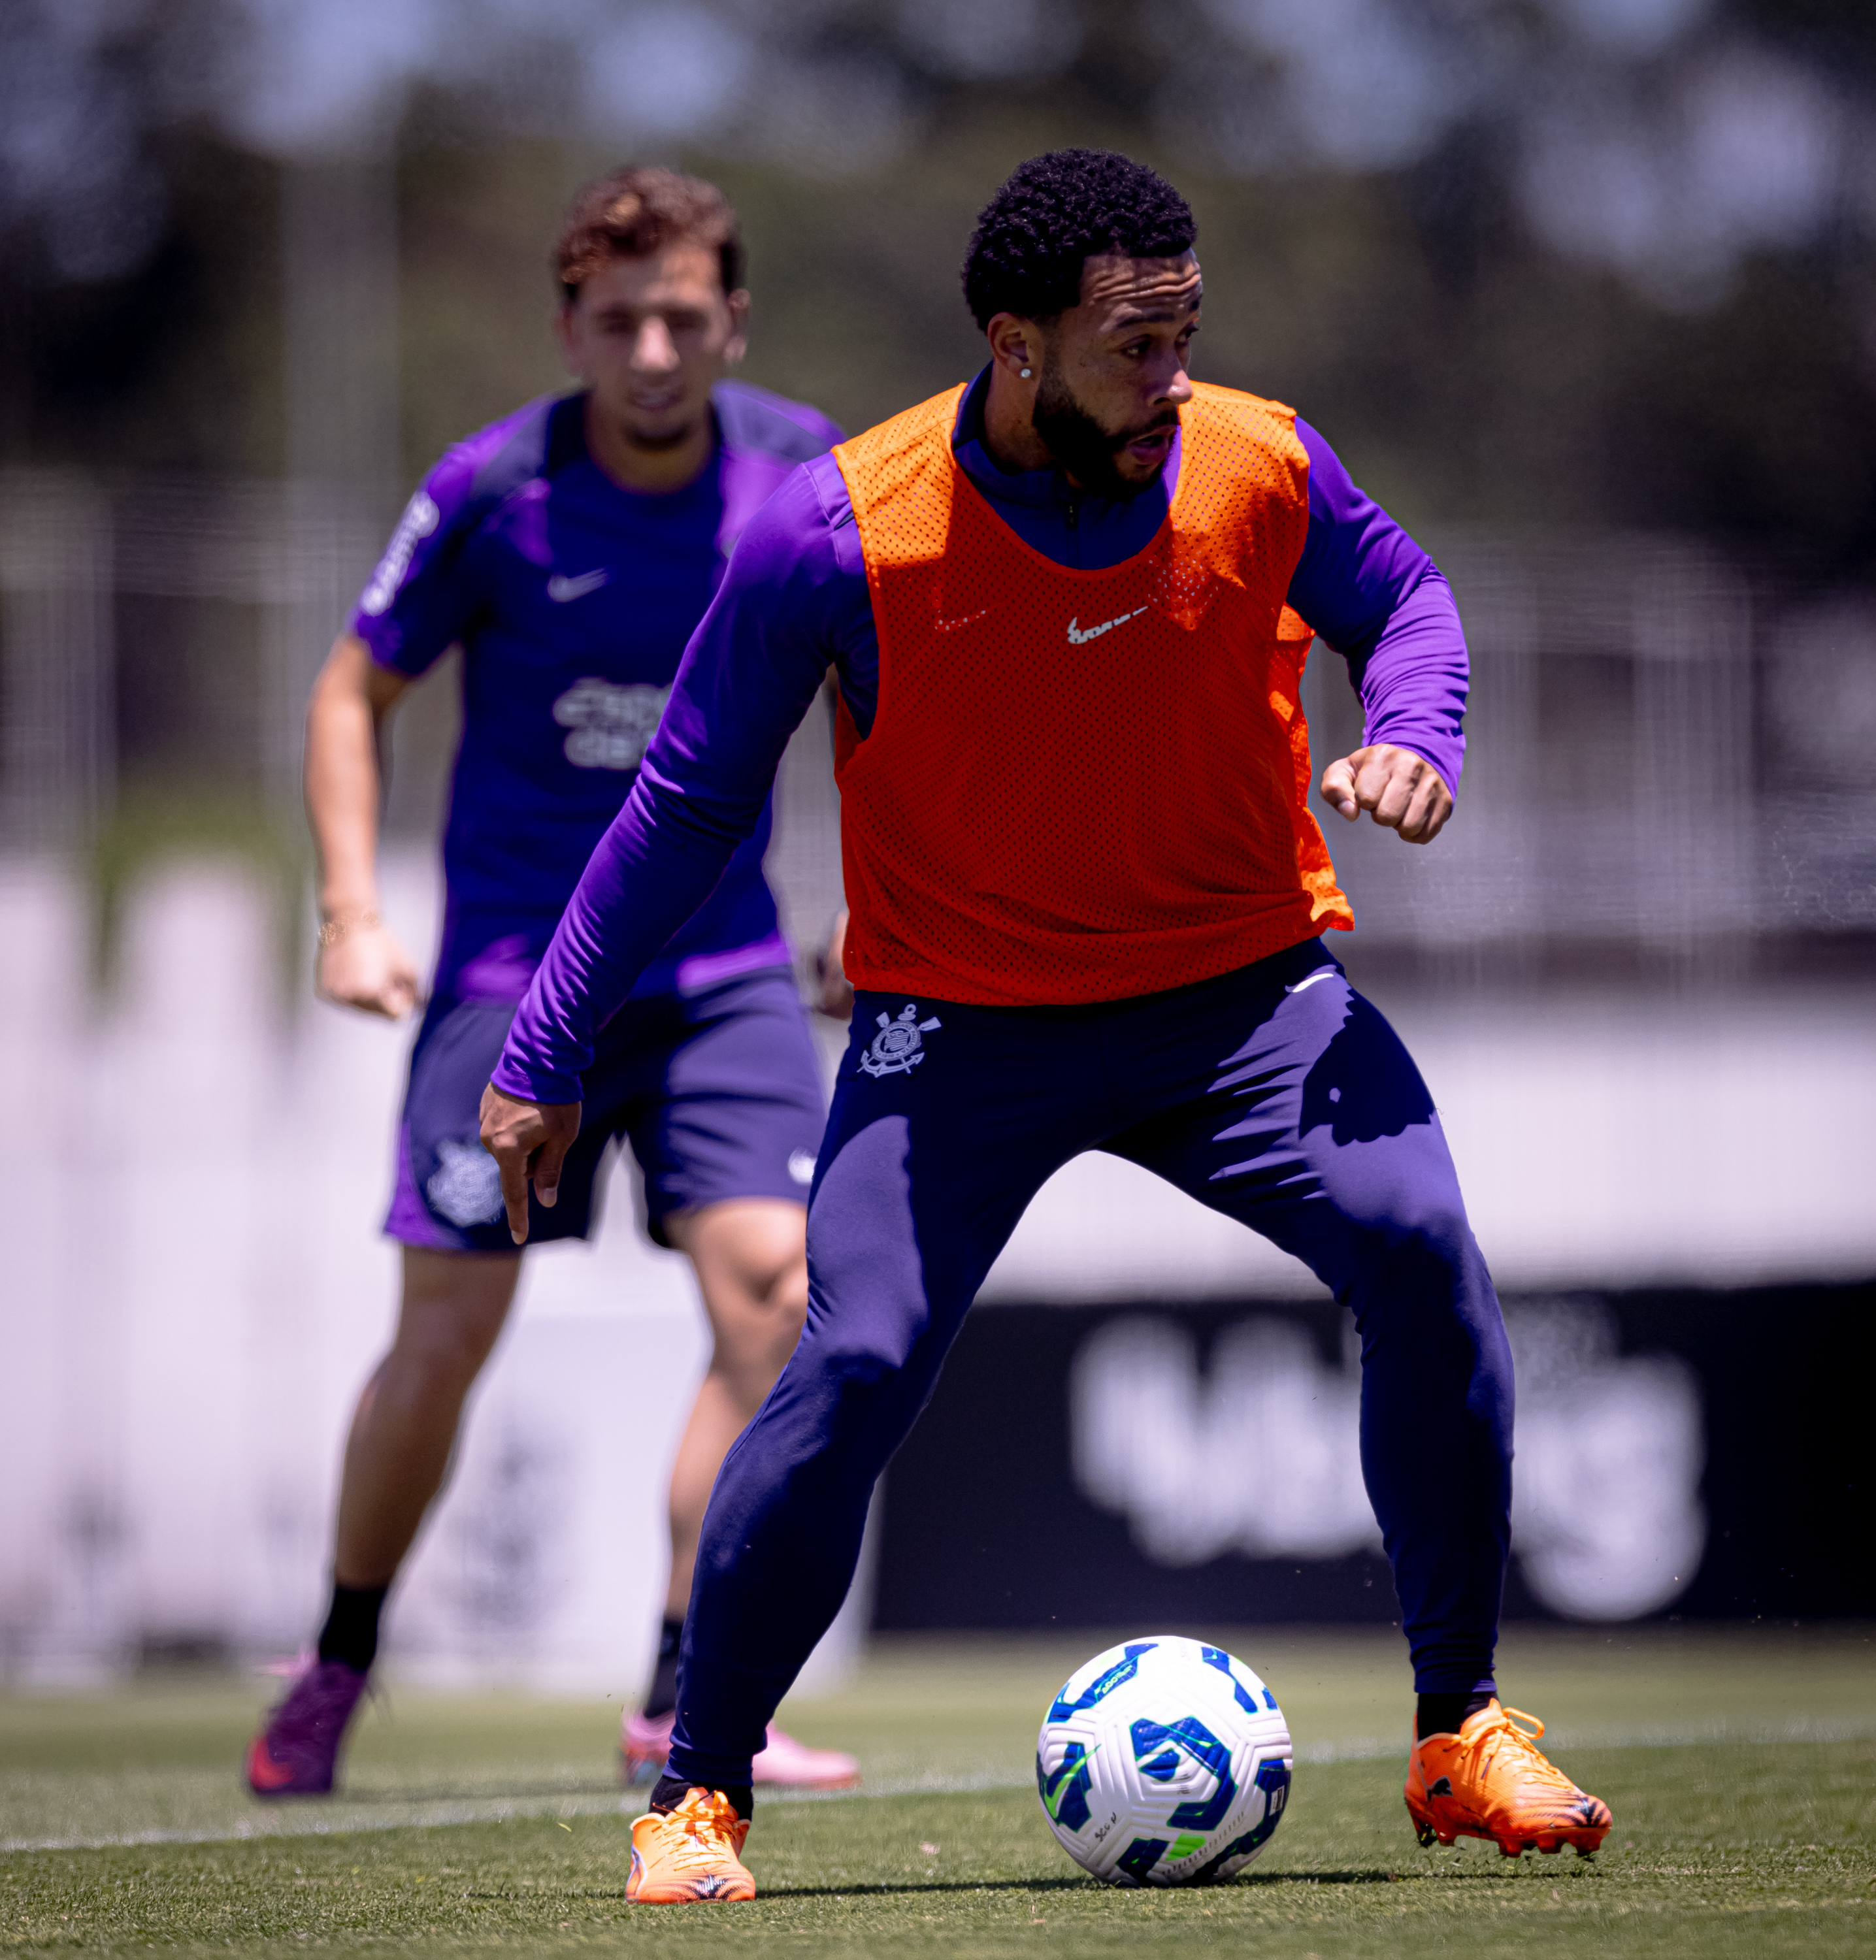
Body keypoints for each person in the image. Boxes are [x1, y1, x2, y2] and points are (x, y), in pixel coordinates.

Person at [480, 150, 1612, 1903]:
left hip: (1242, 1007)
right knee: (851, 1362)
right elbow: (684, 806)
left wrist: (1416, 728)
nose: (1173, 379)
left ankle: (1459, 1730)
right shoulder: (840, 529)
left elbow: (1408, 603)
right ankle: (696, 1797)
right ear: (1015, 346)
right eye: (1132, 347)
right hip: (960, 1033)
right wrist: (542, 1049)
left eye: (1186, 335)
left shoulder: (1260, 461)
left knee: (1420, 1251)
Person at [246, 167, 857, 1799]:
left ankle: (680, 1695)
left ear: (732, 322)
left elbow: (882, 693)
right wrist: (349, 914)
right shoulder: (490, 487)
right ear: (569, 328)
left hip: (721, 974)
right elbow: (347, 693)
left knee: (779, 1300)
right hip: (515, 982)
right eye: (618, 319)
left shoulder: (803, 474)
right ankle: (335, 1662)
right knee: (447, 1333)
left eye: (682, 317)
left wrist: (877, 909)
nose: (652, 351)